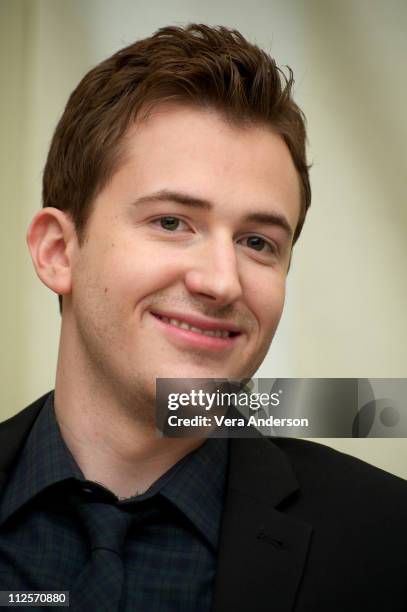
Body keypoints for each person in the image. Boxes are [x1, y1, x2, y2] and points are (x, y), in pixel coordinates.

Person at [0, 24, 406, 612]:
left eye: (258, 242)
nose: (222, 281)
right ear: (59, 252)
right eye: (172, 222)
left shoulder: (387, 544)